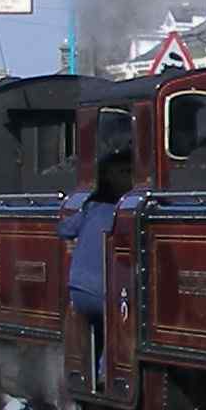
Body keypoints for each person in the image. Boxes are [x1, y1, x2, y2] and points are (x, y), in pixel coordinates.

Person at [58, 150, 133, 386]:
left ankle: (90, 372)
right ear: (109, 177)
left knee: (104, 323)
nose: (129, 178)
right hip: (99, 289)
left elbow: (64, 230)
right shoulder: (119, 213)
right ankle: (105, 374)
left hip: (77, 287)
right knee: (124, 320)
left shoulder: (91, 208)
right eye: (124, 172)